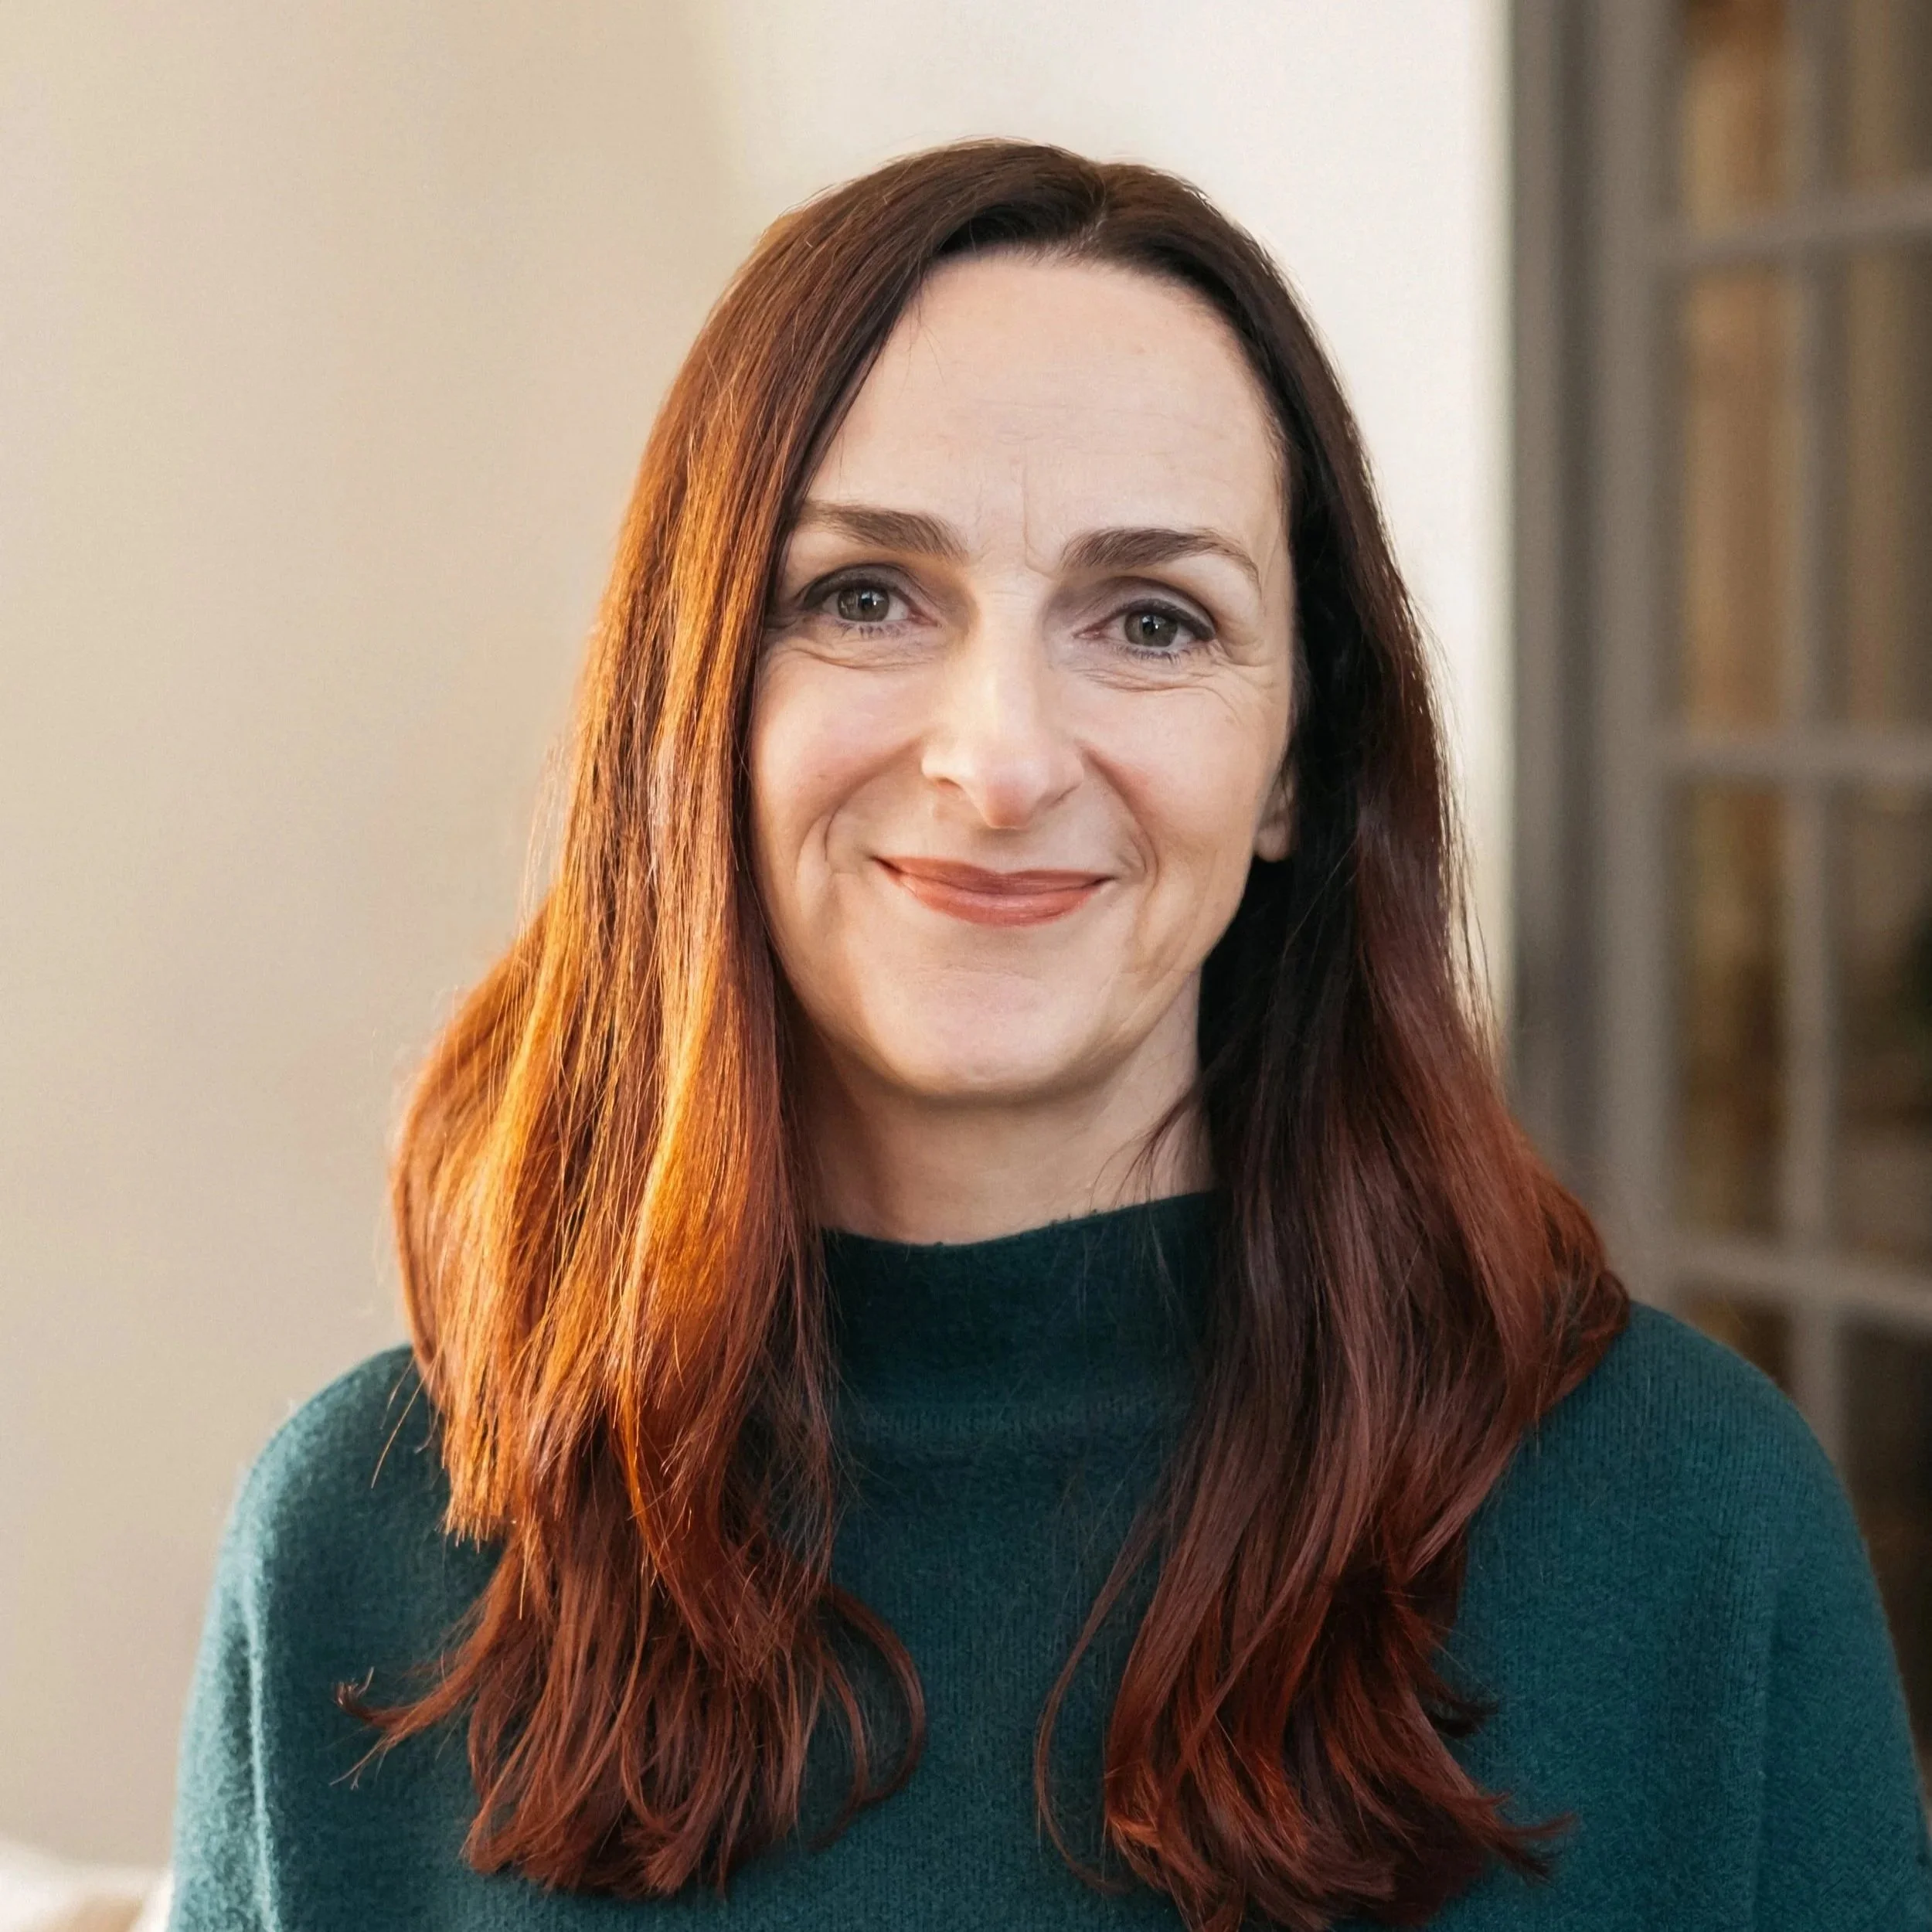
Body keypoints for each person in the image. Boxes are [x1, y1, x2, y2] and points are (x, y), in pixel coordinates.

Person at [168, 140, 1931, 1932]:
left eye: (1149, 619)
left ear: (1295, 762)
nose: (998, 759)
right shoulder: (362, 1549)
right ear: (697, 697)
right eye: (864, 596)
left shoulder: (1689, 1534)